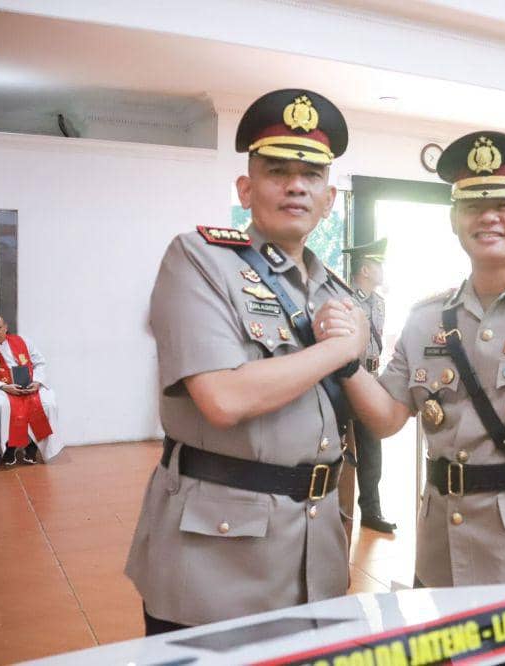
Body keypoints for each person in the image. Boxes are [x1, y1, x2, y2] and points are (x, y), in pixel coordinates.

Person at [314, 131, 505, 665]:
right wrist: (345, 361)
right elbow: (387, 418)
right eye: (473, 205)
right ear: (454, 220)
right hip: (440, 552)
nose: (489, 218)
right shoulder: (425, 318)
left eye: (504, 203)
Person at [124, 89, 364, 635]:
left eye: (312, 175)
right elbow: (223, 398)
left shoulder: (334, 289)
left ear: (329, 198)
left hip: (314, 548)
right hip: (217, 557)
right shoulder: (198, 259)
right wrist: (336, 350)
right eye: (277, 170)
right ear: (246, 188)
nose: (296, 185)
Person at [342, 237, 397, 533]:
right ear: (365, 268)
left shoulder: (379, 303)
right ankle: (341, 510)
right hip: (345, 383)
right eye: (378, 264)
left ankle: (372, 511)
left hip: (371, 382)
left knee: (372, 450)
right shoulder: (344, 300)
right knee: (344, 451)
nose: (382, 270)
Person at [0, 315, 62, 465]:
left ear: (5, 327)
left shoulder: (24, 342)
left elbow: (40, 363)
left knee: (49, 404)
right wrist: (4, 386)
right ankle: (8, 446)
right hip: (3, 388)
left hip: (30, 386)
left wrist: (37, 382)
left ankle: (33, 446)